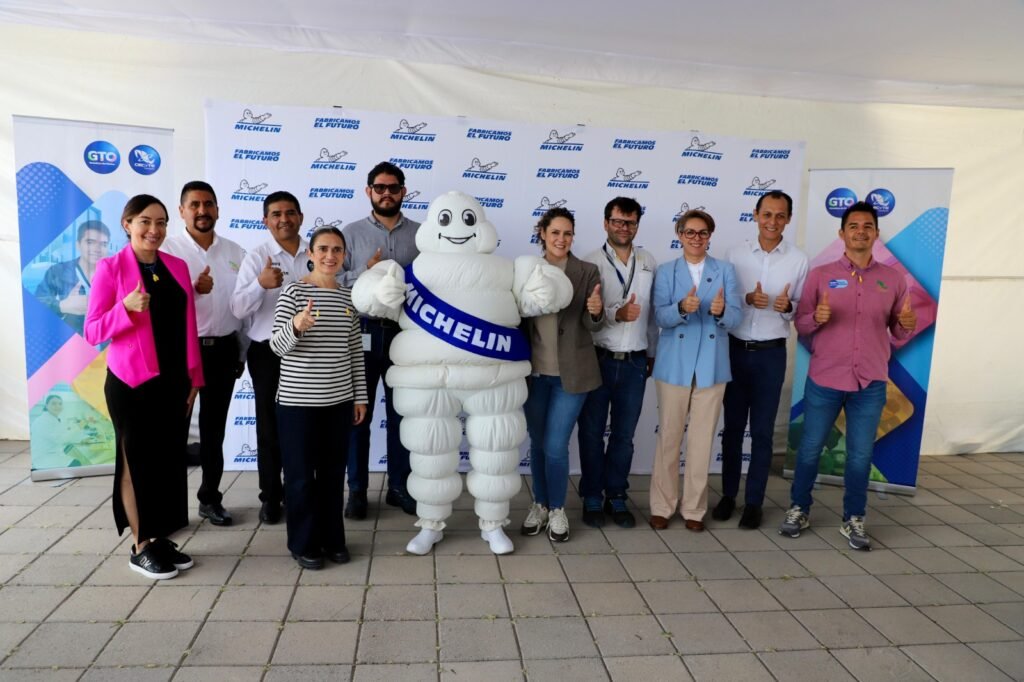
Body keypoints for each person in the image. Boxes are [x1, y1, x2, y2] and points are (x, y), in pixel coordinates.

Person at [780, 201, 916, 550]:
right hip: (825, 378)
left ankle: (854, 518)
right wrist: (817, 319)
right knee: (809, 449)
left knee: (859, 455)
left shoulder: (892, 278)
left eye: (867, 226)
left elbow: (898, 332)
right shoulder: (820, 274)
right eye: (853, 226)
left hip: (870, 382)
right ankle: (799, 509)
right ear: (842, 233)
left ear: (876, 233)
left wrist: (906, 327)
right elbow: (802, 324)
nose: (860, 231)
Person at [84, 194, 204, 580]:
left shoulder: (177, 266)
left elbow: (189, 324)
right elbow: (92, 331)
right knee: (136, 462)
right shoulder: (110, 268)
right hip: (130, 383)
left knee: (169, 462)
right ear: (127, 224)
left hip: (174, 380)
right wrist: (125, 309)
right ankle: (140, 545)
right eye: (145, 222)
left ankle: (160, 537)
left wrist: (194, 377)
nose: (155, 230)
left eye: (162, 222)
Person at [270, 227, 368, 569]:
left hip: (339, 403)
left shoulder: (348, 297)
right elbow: (276, 346)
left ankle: (332, 539)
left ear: (344, 256)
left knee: (331, 476)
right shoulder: (294, 292)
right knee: (299, 478)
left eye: (337, 250)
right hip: (298, 405)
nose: (330, 256)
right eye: (323, 249)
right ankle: (303, 543)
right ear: (310, 253)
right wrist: (296, 325)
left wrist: (360, 397)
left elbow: (355, 351)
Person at [714, 191, 808, 529]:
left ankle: (754, 502)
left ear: (788, 219)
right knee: (733, 430)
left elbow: (803, 308)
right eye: (766, 214)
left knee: (764, 433)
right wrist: (746, 298)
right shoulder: (735, 253)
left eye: (780, 216)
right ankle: (728, 496)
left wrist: (789, 308)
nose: (772, 221)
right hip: (736, 349)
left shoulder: (799, 259)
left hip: (771, 354)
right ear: (755, 215)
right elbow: (722, 298)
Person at [649, 210, 741, 532]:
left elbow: (737, 318)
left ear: (710, 235)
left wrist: (722, 311)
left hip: (711, 366)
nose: (696, 238)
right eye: (690, 232)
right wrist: (680, 309)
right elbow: (659, 317)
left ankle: (694, 510)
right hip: (674, 365)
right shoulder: (666, 271)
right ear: (679, 234)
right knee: (669, 438)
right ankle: (662, 505)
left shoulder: (726, 270)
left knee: (702, 442)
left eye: (702, 233)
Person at [162, 181, 246, 527]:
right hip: (180, 352)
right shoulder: (166, 251)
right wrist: (193, 292)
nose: (202, 211)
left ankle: (210, 498)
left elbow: (243, 309)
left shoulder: (235, 251)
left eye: (208, 204)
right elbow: (159, 309)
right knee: (173, 431)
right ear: (182, 211)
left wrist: (240, 354)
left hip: (223, 351)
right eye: (194, 204)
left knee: (214, 432)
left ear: (217, 210)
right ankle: (169, 506)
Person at [340, 162, 421, 519]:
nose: (386, 192)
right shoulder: (351, 233)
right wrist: (365, 271)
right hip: (363, 333)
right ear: (368, 191)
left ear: (404, 191)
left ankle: (400, 487)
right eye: (379, 187)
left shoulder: (422, 235)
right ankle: (357, 490)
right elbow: (335, 279)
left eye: (393, 187)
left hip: (406, 334)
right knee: (358, 414)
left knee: (402, 414)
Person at [521, 207, 603, 543]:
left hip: (573, 375)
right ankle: (539, 503)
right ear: (542, 232)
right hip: (534, 374)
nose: (561, 239)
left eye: (567, 233)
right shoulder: (526, 270)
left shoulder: (587, 271)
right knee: (539, 444)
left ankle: (557, 509)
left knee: (555, 445)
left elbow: (592, 325)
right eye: (555, 232)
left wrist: (596, 313)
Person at [577, 197, 657, 529]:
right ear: (606, 222)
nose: (624, 228)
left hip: (636, 361)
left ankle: (617, 494)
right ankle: (593, 494)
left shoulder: (649, 260)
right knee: (592, 432)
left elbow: (651, 314)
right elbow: (584, 315)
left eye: (631, 222)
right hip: (599, 359)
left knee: (624, 435)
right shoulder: (590, 262)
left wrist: (651, 353)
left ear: (637, 224)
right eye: (618, 221)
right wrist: (616, 314)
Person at [231, 191, 310, 524]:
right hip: (267, 353)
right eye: (276, 214)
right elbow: (237, 308)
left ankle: (300, 493)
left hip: (309, 352)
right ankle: (271, 496)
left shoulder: (316, 253)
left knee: (304, 428)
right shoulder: (257, 257)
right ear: (266, 221)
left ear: (300, 217)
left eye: (290, 212)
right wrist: (260, 285)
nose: (284, 219)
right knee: (268, 427)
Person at [35, 220, 111, 336]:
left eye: (103, 244)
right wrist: (62, 306)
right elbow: (36, 303)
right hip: (72, 346)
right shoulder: (58, 271)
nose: (98, 249)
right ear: (78, 244)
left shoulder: (114, 275)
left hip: (107, 345)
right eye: (90, 242)